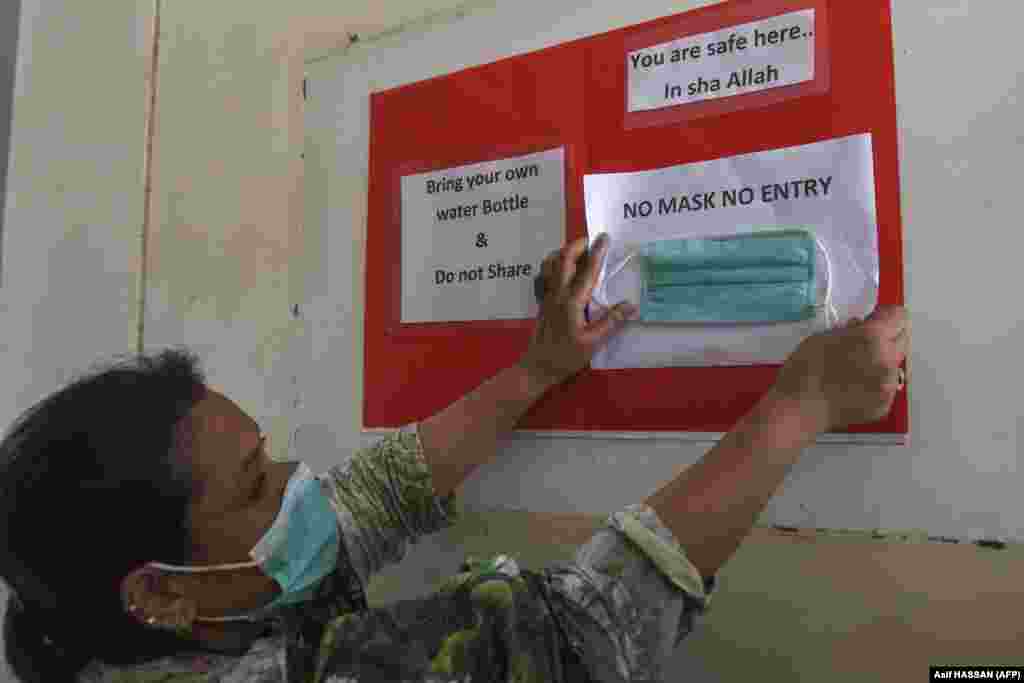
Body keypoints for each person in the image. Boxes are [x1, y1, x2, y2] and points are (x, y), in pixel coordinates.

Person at [0, 233, 909, 683]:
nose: (298, 483)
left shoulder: (188, 618)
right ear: (157, 587)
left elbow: (375, 497)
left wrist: (539, 369)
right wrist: (804, 403)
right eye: (253, 485)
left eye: (267, 459)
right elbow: (575, 635)